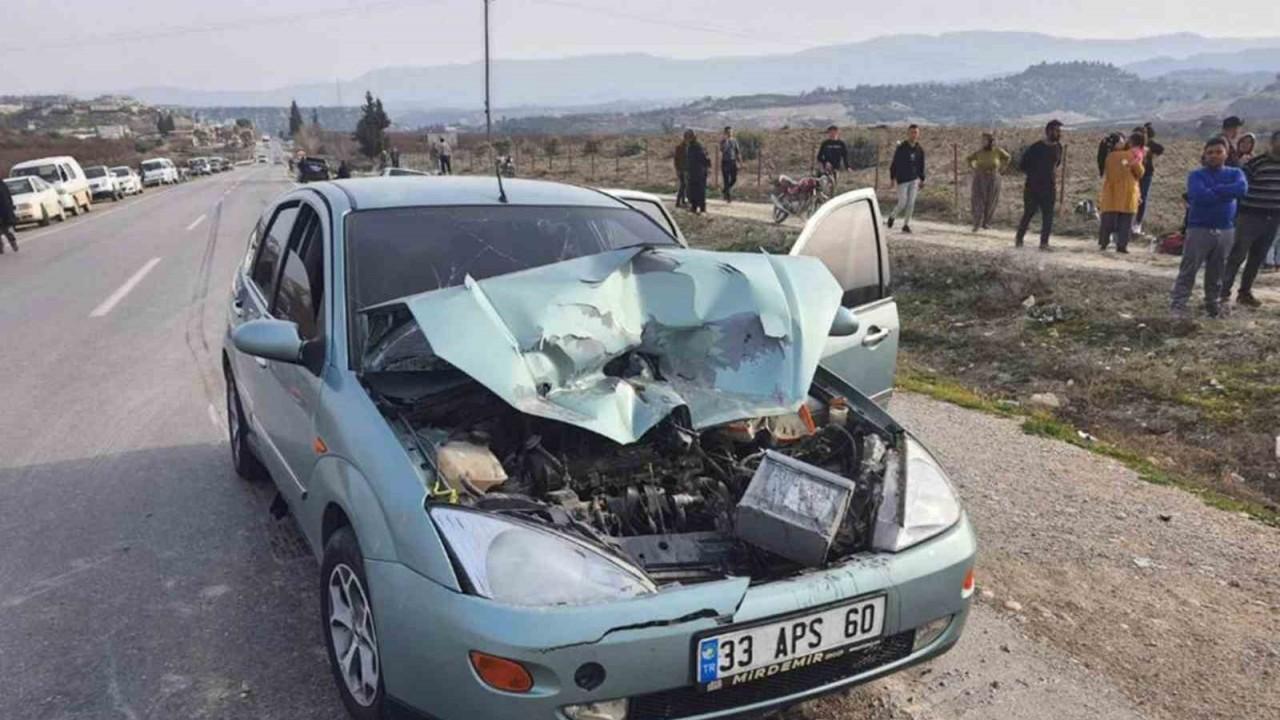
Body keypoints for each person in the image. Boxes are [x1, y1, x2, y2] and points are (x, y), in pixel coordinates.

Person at [1170, 138, 1248, 319]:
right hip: (1199, 228)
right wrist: (1226, 193)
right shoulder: (1196, 175)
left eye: (1218, 152)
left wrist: (1215, 190)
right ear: (1204, 155)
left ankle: (1212, 306)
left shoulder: (1236, 173)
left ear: (1226, 154)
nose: (1214, 156)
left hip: (1226, 229)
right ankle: (1178, 305)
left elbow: (1241, 189)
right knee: (1189, 269)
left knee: (1217, 271)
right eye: (1210, 152)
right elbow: (1199, 196)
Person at [1220, 130, 1280, 308]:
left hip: (1273, 218)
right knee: (1237, 255)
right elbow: (1241, 187)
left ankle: (1245, 293)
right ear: (1272, 143)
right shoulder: (1256, 163)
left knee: (1257, 257)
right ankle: (1223, 292)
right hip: (1250, 216)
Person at [1016, 119, 1064, 250]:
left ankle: (1044, 243)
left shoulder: (1058, 147)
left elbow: (1056, 164)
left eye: (1059, 131)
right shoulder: (1036, 147)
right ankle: (1019, 239)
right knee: (1029, 213)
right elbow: (1023, 165)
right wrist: (1034, 175)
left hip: (1049, 187)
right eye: (1056, 131)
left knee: (1048, 216)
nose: (1059, 133)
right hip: (1033, 187)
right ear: (1048, 131)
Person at [1098, 131, 1146, 253]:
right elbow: (1140, 172)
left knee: (1108, 220)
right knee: (1126, 221)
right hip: (1128, 193)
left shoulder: (1109, 157)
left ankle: (1103, 242)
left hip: (1111, 193)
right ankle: (1122, 245)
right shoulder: (1130, 155)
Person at [966, 131, 1010, 232]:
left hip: (993, 177)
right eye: (982, 140)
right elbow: (969, 159)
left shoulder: (997, 151)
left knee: (991, 200)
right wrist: (974, 168)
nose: (982, 142)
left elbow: (1007, 157)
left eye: (985, 140)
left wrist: (1002, 168)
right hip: (980, 177)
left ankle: (986, 223)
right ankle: (977, 223)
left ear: (990, 141)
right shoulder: (979, 152)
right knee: (978, 199)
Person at [887, 124, 925, 233]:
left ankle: (906, 224)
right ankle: (892, 216)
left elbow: (921, 165)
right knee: (902, 202)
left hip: (914, 179)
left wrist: (922, 179)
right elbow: (894, 164)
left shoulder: (919, 149)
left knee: (911, 203)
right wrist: (892, 178)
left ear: (918, 134)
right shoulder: (901, 148)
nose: (914, 135)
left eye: (916, 132)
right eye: (912, 132)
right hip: (902, 179)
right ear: (908, 133)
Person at [1133, 123, 1164, 235]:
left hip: (1146, 174)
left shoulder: (1149, 144)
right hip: (1135, 174)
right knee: (1134, 197)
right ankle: (1132, 221)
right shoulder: (1133, 144)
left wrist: (1150, 155)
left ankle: (1137, 223)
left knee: (1142, 197)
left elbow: (1160, 149)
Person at [685, 130, 710, 214]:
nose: (687, 139)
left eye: (688, 137)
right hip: (692, 173)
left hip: (699, 173)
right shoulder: (690, 147)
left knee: (700, 191)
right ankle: (694, 207)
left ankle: (702, 208)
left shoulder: (698, 146)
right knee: (692, 191)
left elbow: (704, 158)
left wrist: (705, 168)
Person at [719, 126, 742, 203]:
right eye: (728, 132)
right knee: (726, 180)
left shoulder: (734, 141)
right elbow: (722, 149)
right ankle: (728, 197)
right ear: (725, 133)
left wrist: (740, 162)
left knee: (734, 179)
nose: (730, 133)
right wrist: (726, 141)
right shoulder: (723, 141)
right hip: (725, 162)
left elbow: (737, 152)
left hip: (733, 162)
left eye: (731, 132)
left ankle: (725, 190)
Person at [0, 177, 19, 254]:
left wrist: (11, 207)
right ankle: (1, 247)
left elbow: (7, 197)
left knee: (6, 229)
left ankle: (13, 242)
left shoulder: (2, 184)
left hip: (4, 211)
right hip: (5, 210)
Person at [673, 134, 690, 208]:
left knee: (684, 185)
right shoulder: (679, 147)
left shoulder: (688, 147)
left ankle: (682, 200)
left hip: (686, 169)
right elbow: (676, 159)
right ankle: (678, 201)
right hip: (681, 169)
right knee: (683, 185)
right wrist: (677, 169)